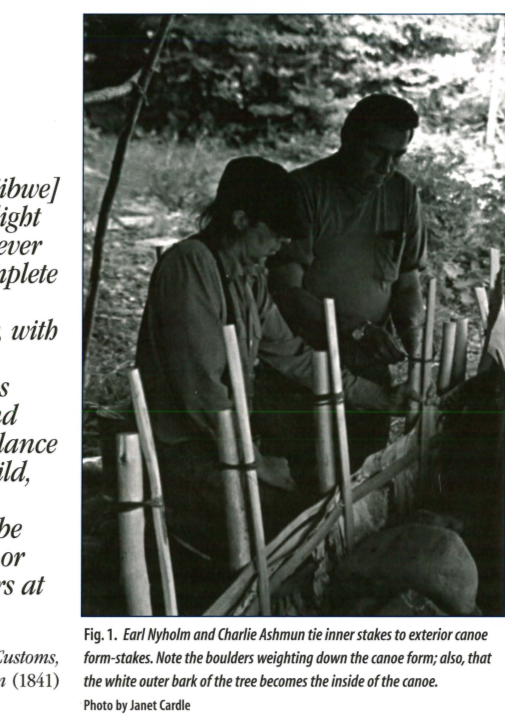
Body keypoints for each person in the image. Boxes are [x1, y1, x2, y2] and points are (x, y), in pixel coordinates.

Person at [135, 156, 406, 595]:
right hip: (181, 446)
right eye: (273, 233)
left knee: (312, 493)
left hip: (224, 437)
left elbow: (294, 356)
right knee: (286, 515)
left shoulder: (247, 277)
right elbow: (203, 392)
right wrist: (257, 464)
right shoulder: (190, 267)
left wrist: (378, 397)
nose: (280, 246)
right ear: (240, 219)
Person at [264, 93, 427, 468]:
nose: (386, 167)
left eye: (398, 156)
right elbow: (286, 292)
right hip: (305, 369)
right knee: (306, 481)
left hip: (370, 365)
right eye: (376, 152)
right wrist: (355, 328)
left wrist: (417, 348)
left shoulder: (403, 194)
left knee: (362, 474)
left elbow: (406, 281)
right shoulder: (303, 191)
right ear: (347, 138)